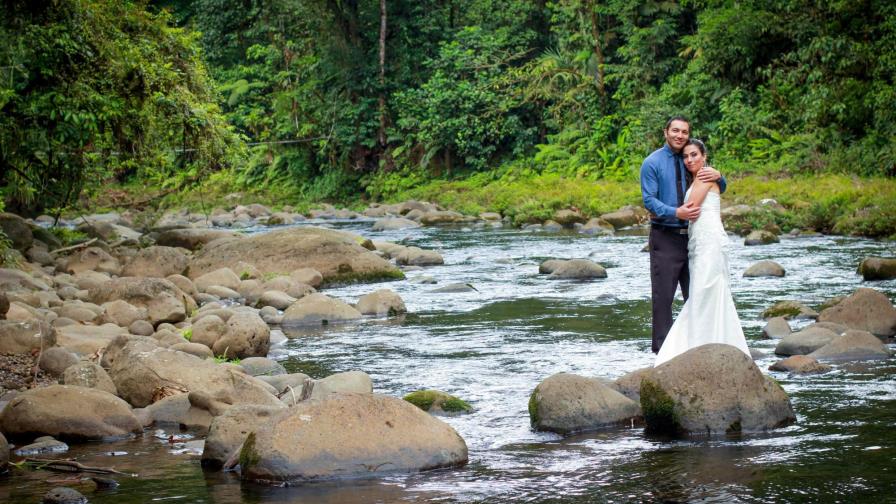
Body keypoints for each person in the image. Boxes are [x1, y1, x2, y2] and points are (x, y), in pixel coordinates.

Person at [654, 138, 749, 366]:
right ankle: (703, 344)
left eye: (694, 155)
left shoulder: (706, 176)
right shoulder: (699, 177)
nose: (689, 160)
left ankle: (708, 344)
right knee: (702, 291)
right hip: (697, 243)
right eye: (686, 156)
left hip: (710, 241)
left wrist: (668, 211)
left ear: (704, 156)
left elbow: (692, 207)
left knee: (708, 290)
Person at [640, 116, 725, 354]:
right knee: (663, 298)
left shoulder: (691, 158)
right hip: (665, 236)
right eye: (675, 131)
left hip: (694, 239)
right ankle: (662, 352)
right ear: (665, 132)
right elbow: (649, 200)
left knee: (696, 293)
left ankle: (696, 347)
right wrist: (675, 212)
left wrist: (720, 177)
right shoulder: (652, 162)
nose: (680, 135)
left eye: (684, 131)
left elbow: (716, 188)